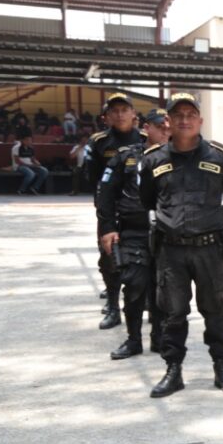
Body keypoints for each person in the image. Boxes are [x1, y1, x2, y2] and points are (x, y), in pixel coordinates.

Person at [137, 92, 223, 398]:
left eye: (190, 115)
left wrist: (219, 222)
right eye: (178, 115)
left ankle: (221, 367)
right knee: (172, 314)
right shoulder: (153, 159)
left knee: (215, 310)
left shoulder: (219, 156)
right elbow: (147, 199)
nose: (184, 120)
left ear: (200, 120)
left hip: (209, 249)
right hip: (171, 251)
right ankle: (173, 371)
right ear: (168, 122)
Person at [97, 108, 169, 358]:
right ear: (146, 128)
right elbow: (105, 194)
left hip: (167, 233)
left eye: (168, 128)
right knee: (135, 285)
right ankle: (133, 340)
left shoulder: (179, 158)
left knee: (163, 287)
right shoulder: (126, 156)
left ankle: (159, 337)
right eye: (160, 127)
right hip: (134, 231)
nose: (165, 132)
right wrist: (107, 228)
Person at [88, 93, 145, 329]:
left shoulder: (145, 139)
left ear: (133, 114)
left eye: (124, 110)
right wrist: (105, 212)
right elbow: (94, 179)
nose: (120, 114)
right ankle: (113, 306)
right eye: (115, 111)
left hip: (139, 210)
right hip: (111, 209)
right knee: (109, 258)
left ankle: (146, 300)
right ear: (107, 116)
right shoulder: (99, 142)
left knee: (144, 256)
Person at [11, 129, 50, 194]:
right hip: (19, 166)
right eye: (28, 140)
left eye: (30, 140)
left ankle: (35, 188)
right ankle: (21, 190)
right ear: (23, 140)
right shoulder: (16, 148)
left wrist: (37, 163)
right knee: (31, 174)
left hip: (30, 165)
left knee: (44, 171)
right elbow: (17, 161)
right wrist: (30, 165)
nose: (30, 142)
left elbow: (32, 158)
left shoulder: (30, 148)